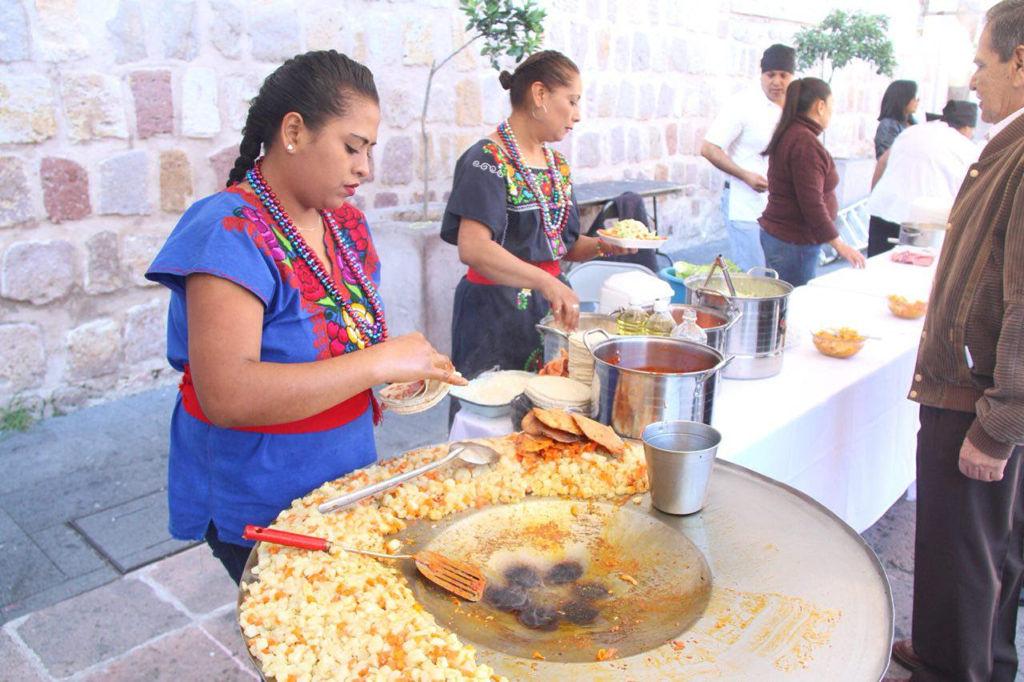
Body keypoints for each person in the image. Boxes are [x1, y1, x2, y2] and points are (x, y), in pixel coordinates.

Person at [145, 51, 465, 583]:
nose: (365, 167)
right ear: (293, 131)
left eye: (368, 151)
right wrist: (378, 363)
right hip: (259, 494)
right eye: (351, 147)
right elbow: (228, 394)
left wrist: (399, 370)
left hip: (343, 477)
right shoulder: (228, 232)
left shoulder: (344, 226)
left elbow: (345, 343)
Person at [890, 2, 1024, 679]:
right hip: (977, 390)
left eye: (981, 61)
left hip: (977, 397)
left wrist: (1000, 423)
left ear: (1020, 62)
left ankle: (956, 667)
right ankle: (954, 651)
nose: (974, 79)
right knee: (976, 545)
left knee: (968, 551)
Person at [441, 50, 632, 380]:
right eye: (572, 101)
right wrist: (545, 282)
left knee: (547, 414)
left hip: (548, 311)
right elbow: (473, 248)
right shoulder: (485, 159)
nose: (577, 114)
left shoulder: (557, 166)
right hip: (495, 313)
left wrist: (606, 245)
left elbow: (563, 247)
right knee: (493, 415)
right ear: (540, 94)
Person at [757, 77, 865, 287]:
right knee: (791, 307)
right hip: (793, 242)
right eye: (832, 106)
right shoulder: (804, 142)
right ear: (820, 106)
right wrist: (839, 244)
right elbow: (811, 203)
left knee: (780, 304)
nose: (832, 113)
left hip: (784, 238)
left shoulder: (793, 134)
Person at [701, 44, 795, 271]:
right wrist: (745, 175)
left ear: (792, 76)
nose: (777, 82)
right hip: (745, 204)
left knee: (778, 276)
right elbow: (709, 148)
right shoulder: (742, 104)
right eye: (770, 75)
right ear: (761, 75)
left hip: (780, 208)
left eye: (783, 75)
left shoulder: (795, 106)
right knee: (754, 276)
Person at [866, 100, 980, 256]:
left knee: (876, 270)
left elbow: (882, 162)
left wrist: (875, 196)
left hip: (884, 211)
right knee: (913, 275)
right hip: (925, 224)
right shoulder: (967, 148)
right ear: (967, 127)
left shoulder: (912, 131)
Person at [874, 79, 919, 159]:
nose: (917, 101)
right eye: (914, 97)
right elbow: (886, 158)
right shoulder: (888, 126)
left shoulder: (913, 124)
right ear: (903, 98)